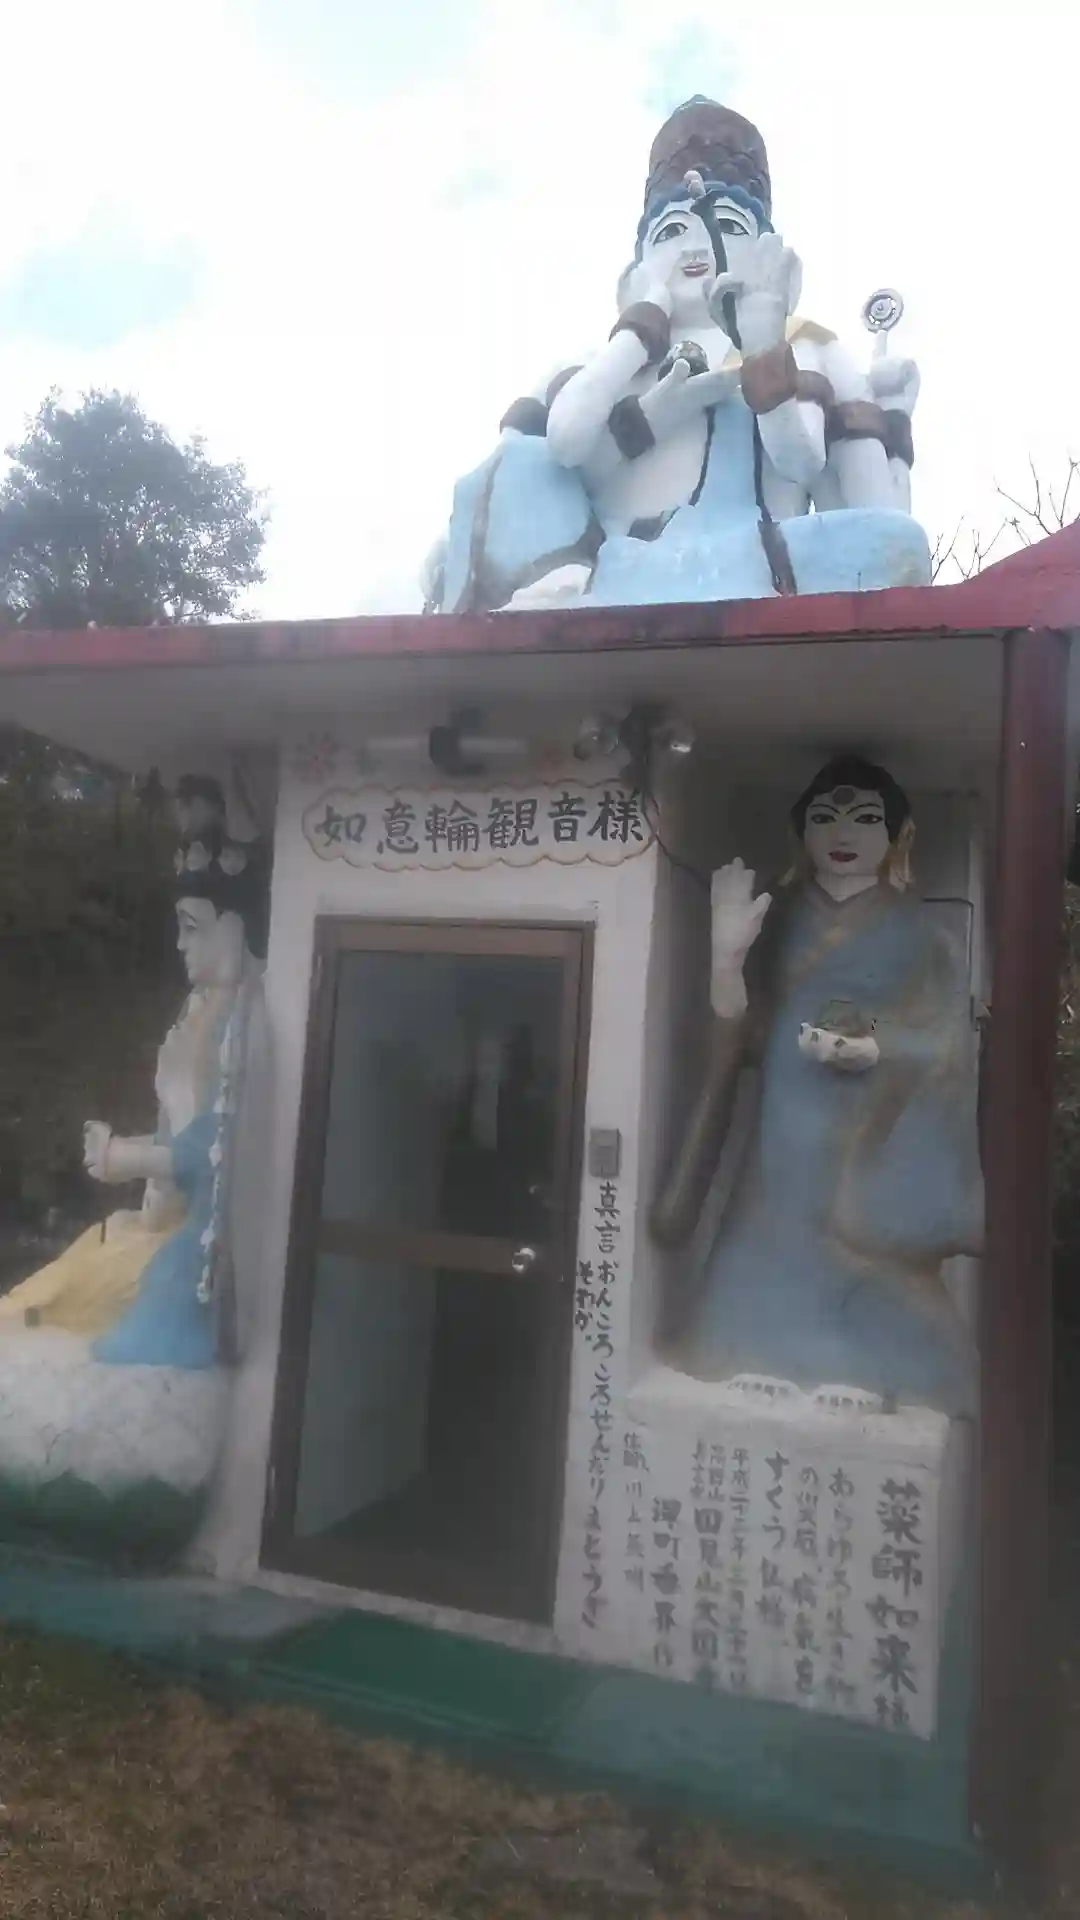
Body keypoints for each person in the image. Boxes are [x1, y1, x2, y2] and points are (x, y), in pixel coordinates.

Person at [431, 98, 927, 614]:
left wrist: (773, 356)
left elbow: (822, 475)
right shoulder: (597, 364)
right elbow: (524, 468)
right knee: (522, 463)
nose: (696, 248)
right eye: (670, 232)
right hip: (605, 565)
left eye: (727, 226)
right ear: (637, 263)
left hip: (755, 561)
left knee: (891, 542)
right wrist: (460, 541)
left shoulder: (806, 343)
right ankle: (566, 591)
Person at [651, 757, 982, 1417]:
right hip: (782, 1123)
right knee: (767, 1229)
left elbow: (947, 1042)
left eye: (865, 819)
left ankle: (864, 1364)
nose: (843, 832)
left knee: (857, 1242)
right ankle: (754, 1350)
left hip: (867, 1135)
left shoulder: (921, 935)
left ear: (896, 836)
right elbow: (742, 1030)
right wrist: (726, 954)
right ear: (801, 832)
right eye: (825, 817)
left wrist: (876, 1048)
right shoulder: (777, 920)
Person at [0, 798, 268, 1555]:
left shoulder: (248, 1024)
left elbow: (218, 1141)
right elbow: (178, 1135)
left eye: (193, 927)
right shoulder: (196, 1018)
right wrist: (125, 1156)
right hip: (157, 1219)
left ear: (236, 928)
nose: (180, 946)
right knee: (77, 1270)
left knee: (132, 1306)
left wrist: (130, 1158)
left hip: (197, 1239)